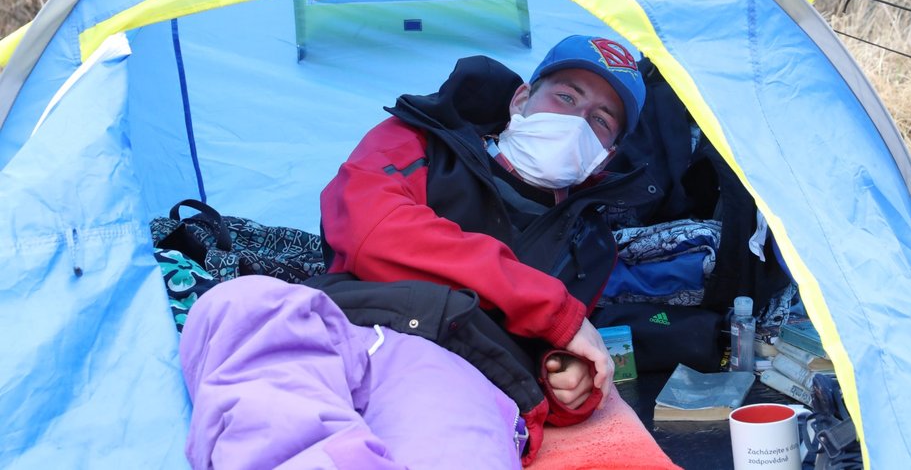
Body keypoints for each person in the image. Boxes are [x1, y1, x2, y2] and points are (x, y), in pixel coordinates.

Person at [179, 35, 649, 469]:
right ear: (522, 100)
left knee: (446, 436)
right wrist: (547, 306)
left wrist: (571, 385)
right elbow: (373, 229)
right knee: (238, 303)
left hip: (457, 362)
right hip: (339, 317)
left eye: (600, 121)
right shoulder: (420, 136)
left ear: (604, 156)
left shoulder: (590, 246)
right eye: (566, 97)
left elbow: (561, 361)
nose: (574, 122)